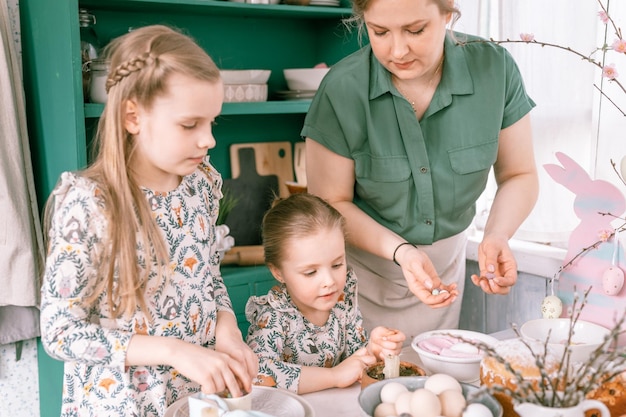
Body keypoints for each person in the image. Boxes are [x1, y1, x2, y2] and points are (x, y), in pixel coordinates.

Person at [39, 25, 258, 417]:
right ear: (132, 116)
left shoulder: (201, 185)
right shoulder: (89, 203)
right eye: (190, 125)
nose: (208, 139)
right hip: (122, 404)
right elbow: (59, 333)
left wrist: (228, 328)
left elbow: (207, 278)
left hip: (194, 399)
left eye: (213, 122)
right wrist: (174, 351)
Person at [302, 0, 539, 343]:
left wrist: (497, 235)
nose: (398, 50)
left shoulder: (494, 68)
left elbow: (519, 174)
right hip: (361, 277)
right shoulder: (342, 89)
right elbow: (330, 204)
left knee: (430, 381)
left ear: (447, 13)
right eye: (379, 32)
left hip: (444, 274)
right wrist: (403, 252)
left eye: (415, 30)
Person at [245, 193, 406, 394]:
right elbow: (256, 372)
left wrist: (374, 349)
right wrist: (334, 376)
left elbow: (354, 360)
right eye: (311, 272)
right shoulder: (274, 317)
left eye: (337, 264)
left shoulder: (341, 302)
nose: (329, 281)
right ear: (278, 272)